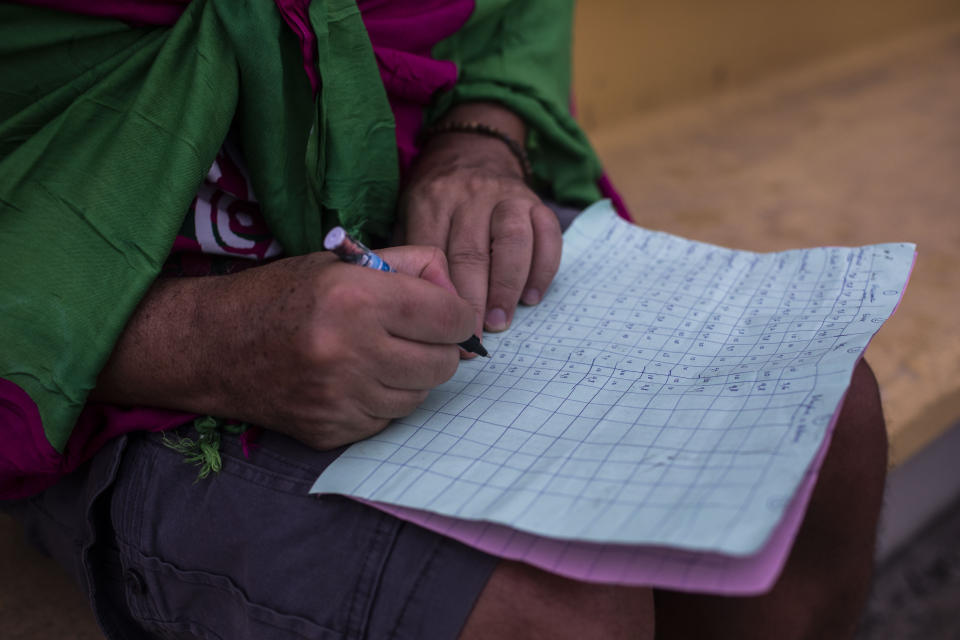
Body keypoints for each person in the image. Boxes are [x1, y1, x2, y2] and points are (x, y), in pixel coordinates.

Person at [0, 1, 888, 638]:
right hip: (92, 341)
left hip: (406, 202)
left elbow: (511, 18)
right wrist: (200, 344)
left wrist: (480, 137)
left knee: (819, 409)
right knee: (548, 613)